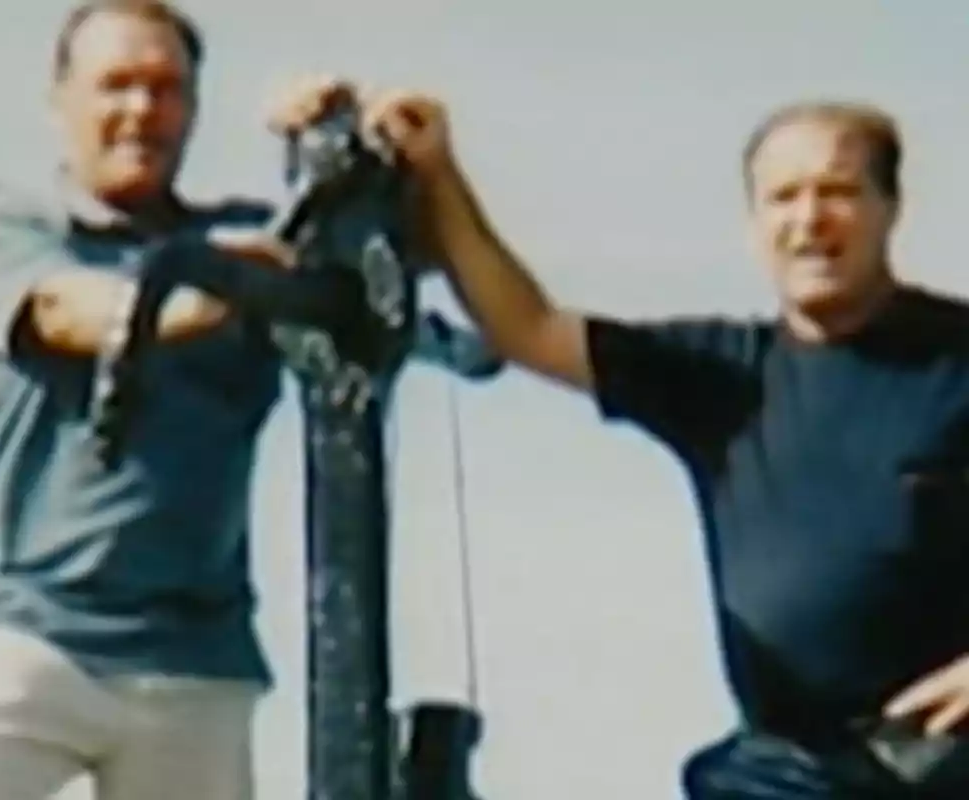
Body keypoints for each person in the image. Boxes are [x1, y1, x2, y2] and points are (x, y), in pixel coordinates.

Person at [268, 79, 969, 797]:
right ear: (754, 222)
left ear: (891, 207)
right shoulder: (723, 375)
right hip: (788, 770)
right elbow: (529, 328)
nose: (811, 219)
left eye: (839, 191)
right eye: (784, 197)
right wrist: (441, 173)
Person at [0, 2, 298, 798]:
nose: (141, 110)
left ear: (193, 107)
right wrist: (206, 296)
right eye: (116, 85)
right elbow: (65, 312)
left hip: (194, 660)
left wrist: (337, 129)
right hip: (30, 637)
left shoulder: (249, 244)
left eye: (166, 89)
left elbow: (383, 275)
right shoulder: (15, 227)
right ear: (60, 100)